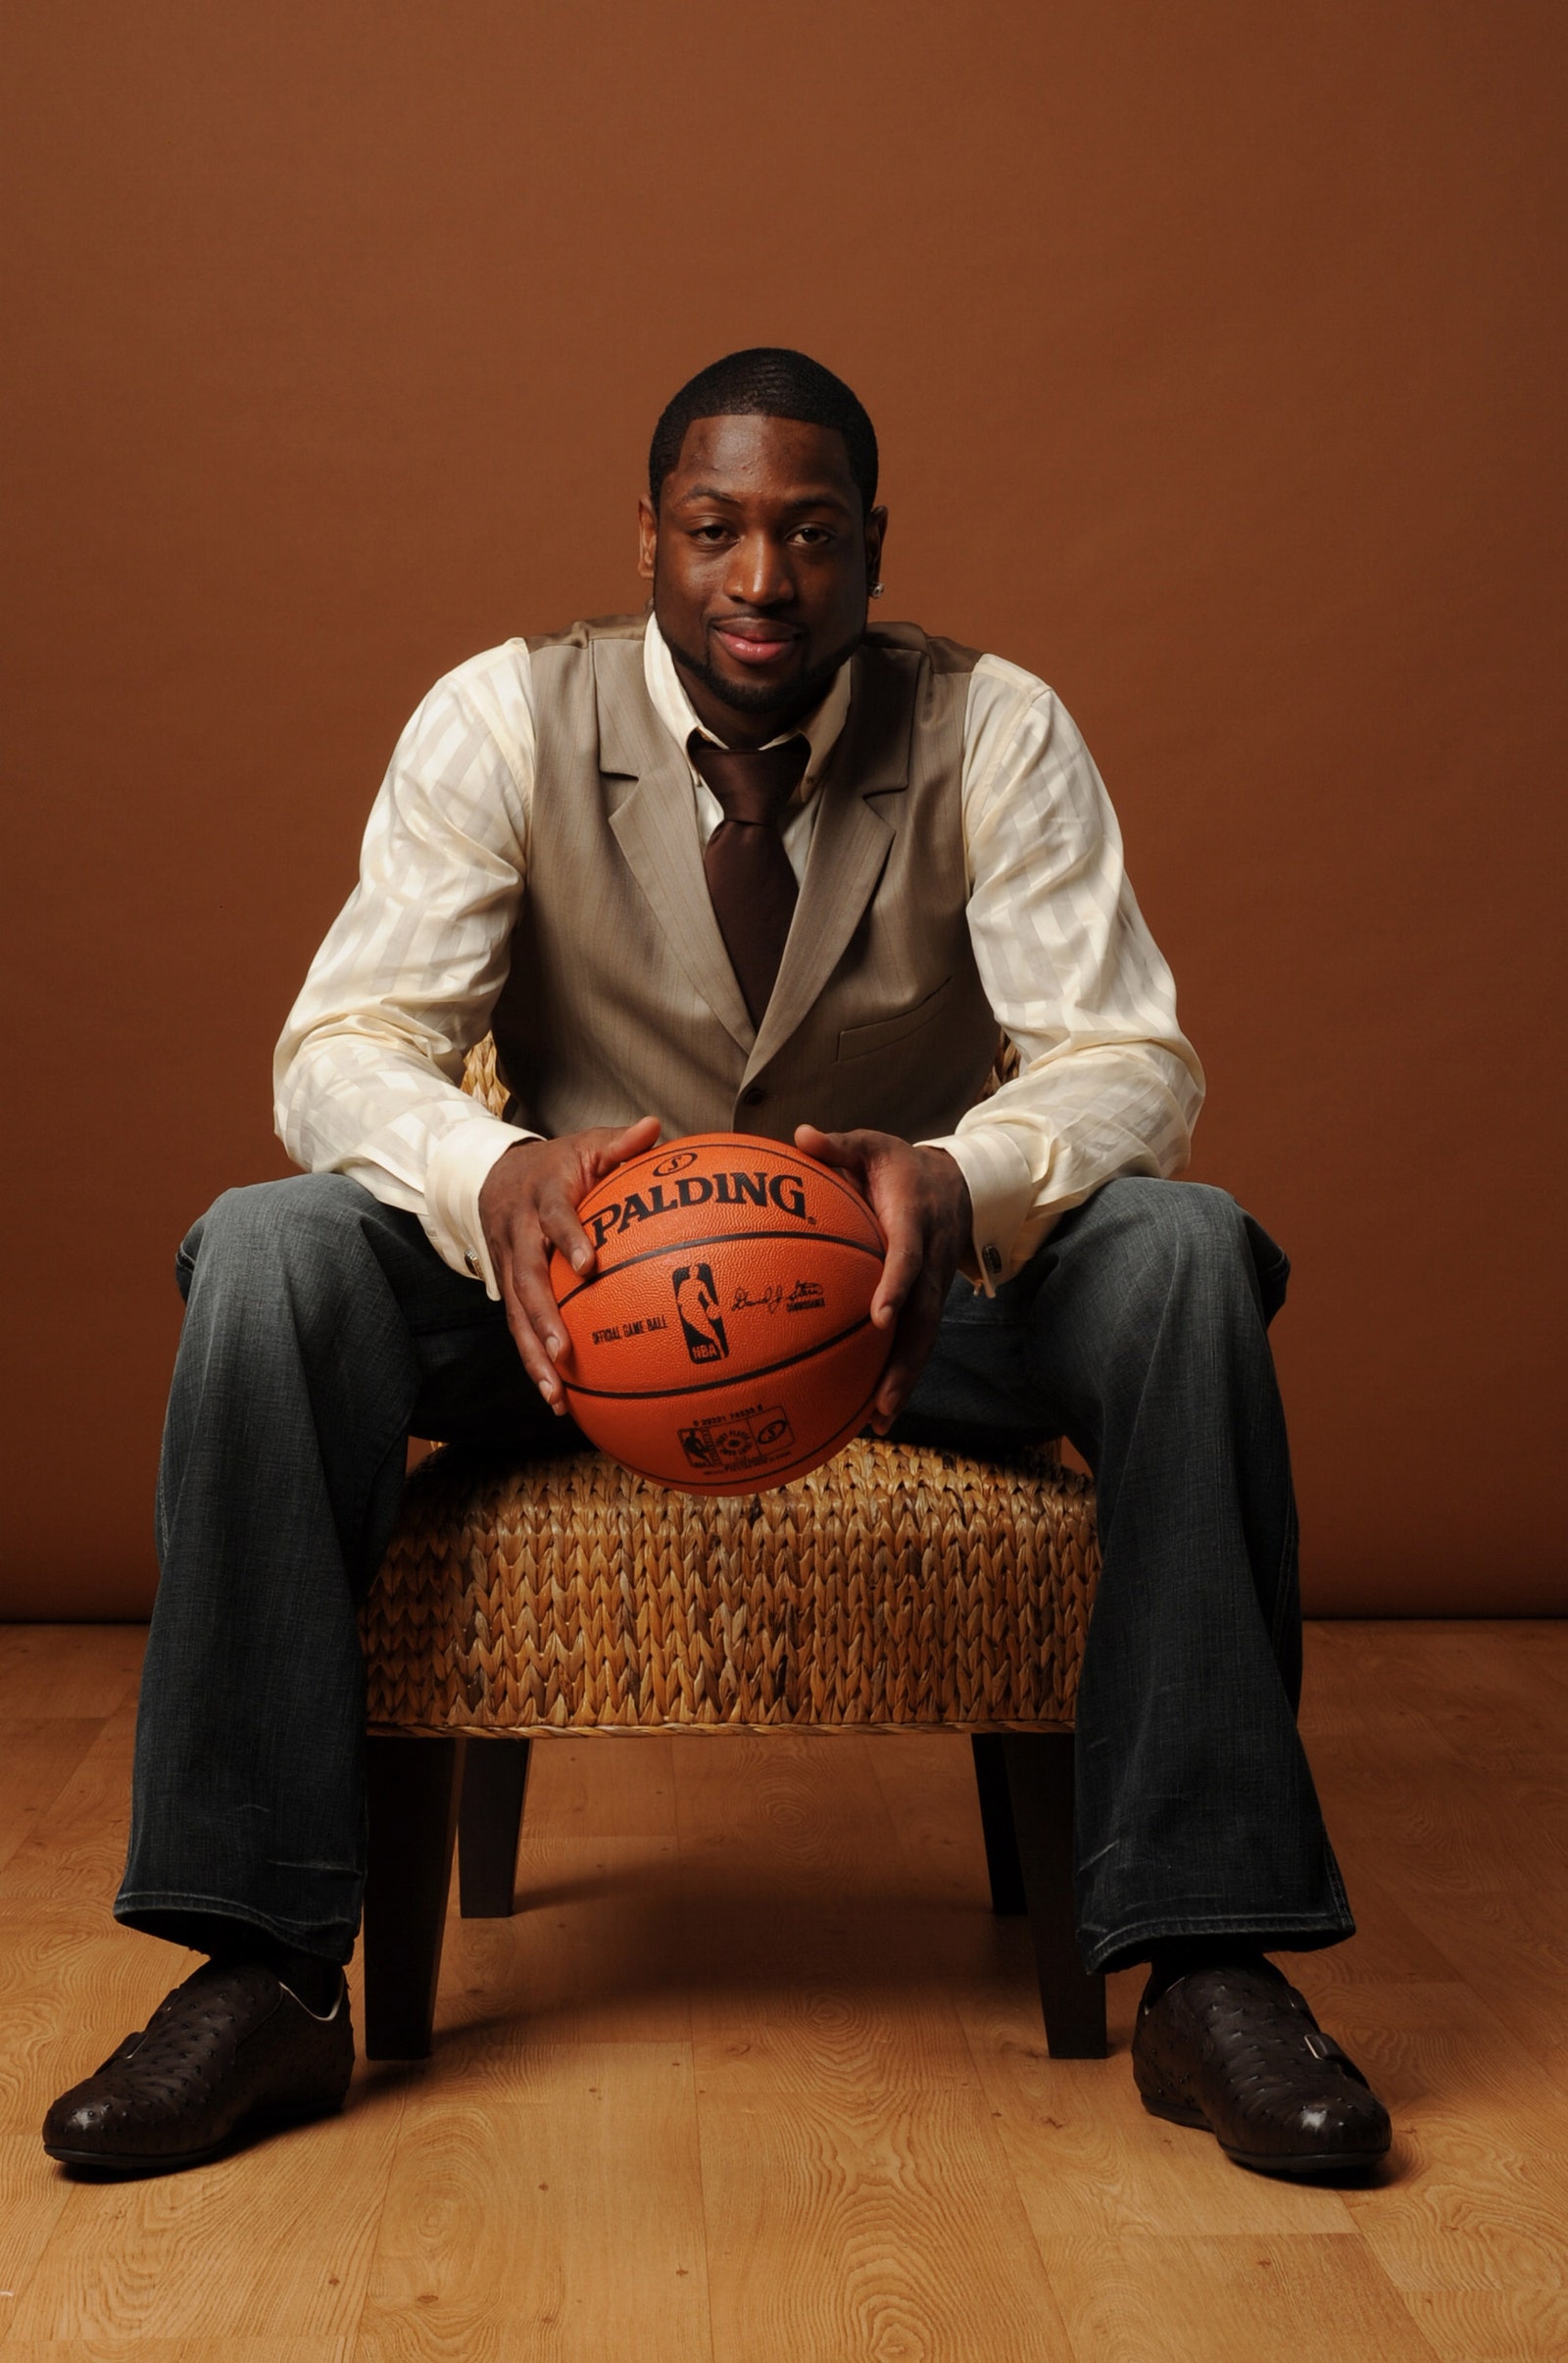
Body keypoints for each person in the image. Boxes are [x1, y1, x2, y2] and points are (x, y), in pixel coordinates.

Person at [44, 347, 1391, 2181]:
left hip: (906, 1309)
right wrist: (494, 1166)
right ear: (654, 541)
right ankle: (260, 1972)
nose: (765, 579)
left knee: (1184, 1254)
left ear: (873, 550)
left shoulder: (995, 727)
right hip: (565, 1314)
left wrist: (957, 1170)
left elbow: (1132, 1056)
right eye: (719, 531)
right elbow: (340, 1044)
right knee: (274, 1258)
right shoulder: (501, 717)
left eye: (814, 535)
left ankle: (1208, 1969)